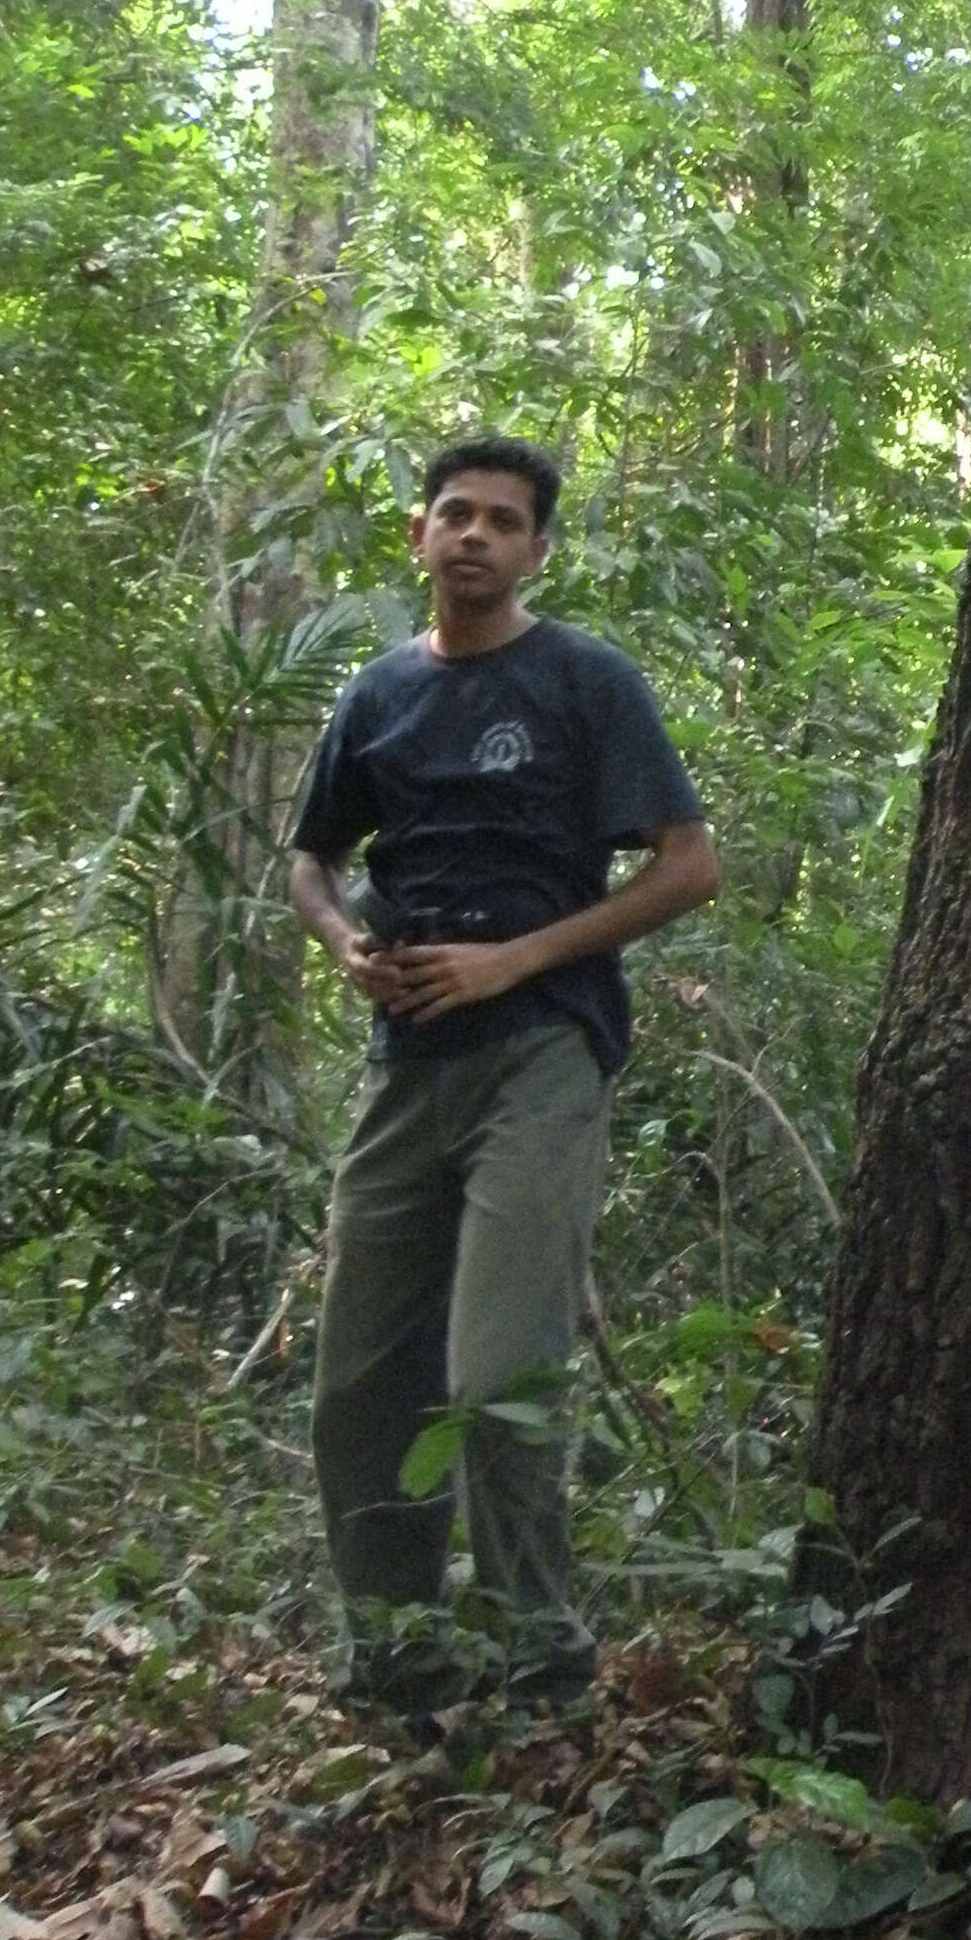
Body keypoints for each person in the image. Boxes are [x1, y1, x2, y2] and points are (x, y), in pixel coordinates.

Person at [288, 436, 719, 1714]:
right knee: (361, 1384)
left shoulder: (583, 679)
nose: (476, 535)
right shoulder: (375, 698)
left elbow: (688, 864)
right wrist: (342, 943)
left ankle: (541, 1662)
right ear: (418, 535)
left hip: (542, 1051)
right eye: (456, 514)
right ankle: (398, 1663)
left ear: (536, 549)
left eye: (504, 521)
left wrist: (512, 961)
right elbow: (311, 860)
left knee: (496, 1376)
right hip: (405, 1066)